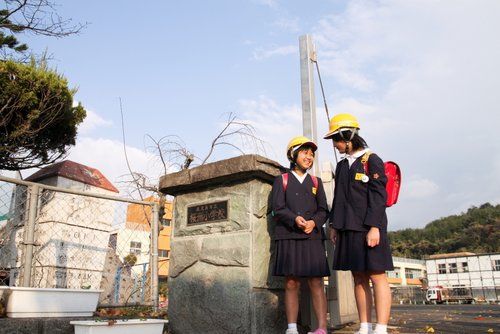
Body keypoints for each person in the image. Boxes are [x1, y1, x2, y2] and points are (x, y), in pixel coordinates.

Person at [324, 114, 393, 334]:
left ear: (348, 136)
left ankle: (380, 327)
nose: (335, 145)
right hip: (348, 227)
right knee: (358, 276)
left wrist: (374, 227)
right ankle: (365, 326)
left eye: (336, 139)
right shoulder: (343, 165)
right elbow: (338, 198)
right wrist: (334, 224)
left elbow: (378, 195)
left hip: (369, 227)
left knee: (376, 275)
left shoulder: (372, 160)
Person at [271, 136, 330, 334]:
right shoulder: (282, 180)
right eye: (305, 152)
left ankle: (321, 328)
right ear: (293, 154)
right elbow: (278, 208)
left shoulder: (316, 181)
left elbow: (323, 209)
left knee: (316, 282)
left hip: (312, 236)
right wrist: (295, 219)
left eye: (311, 154)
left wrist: (314, 222)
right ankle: (292, 328)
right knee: (291, 282)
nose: (309, 157)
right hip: (288, 235)